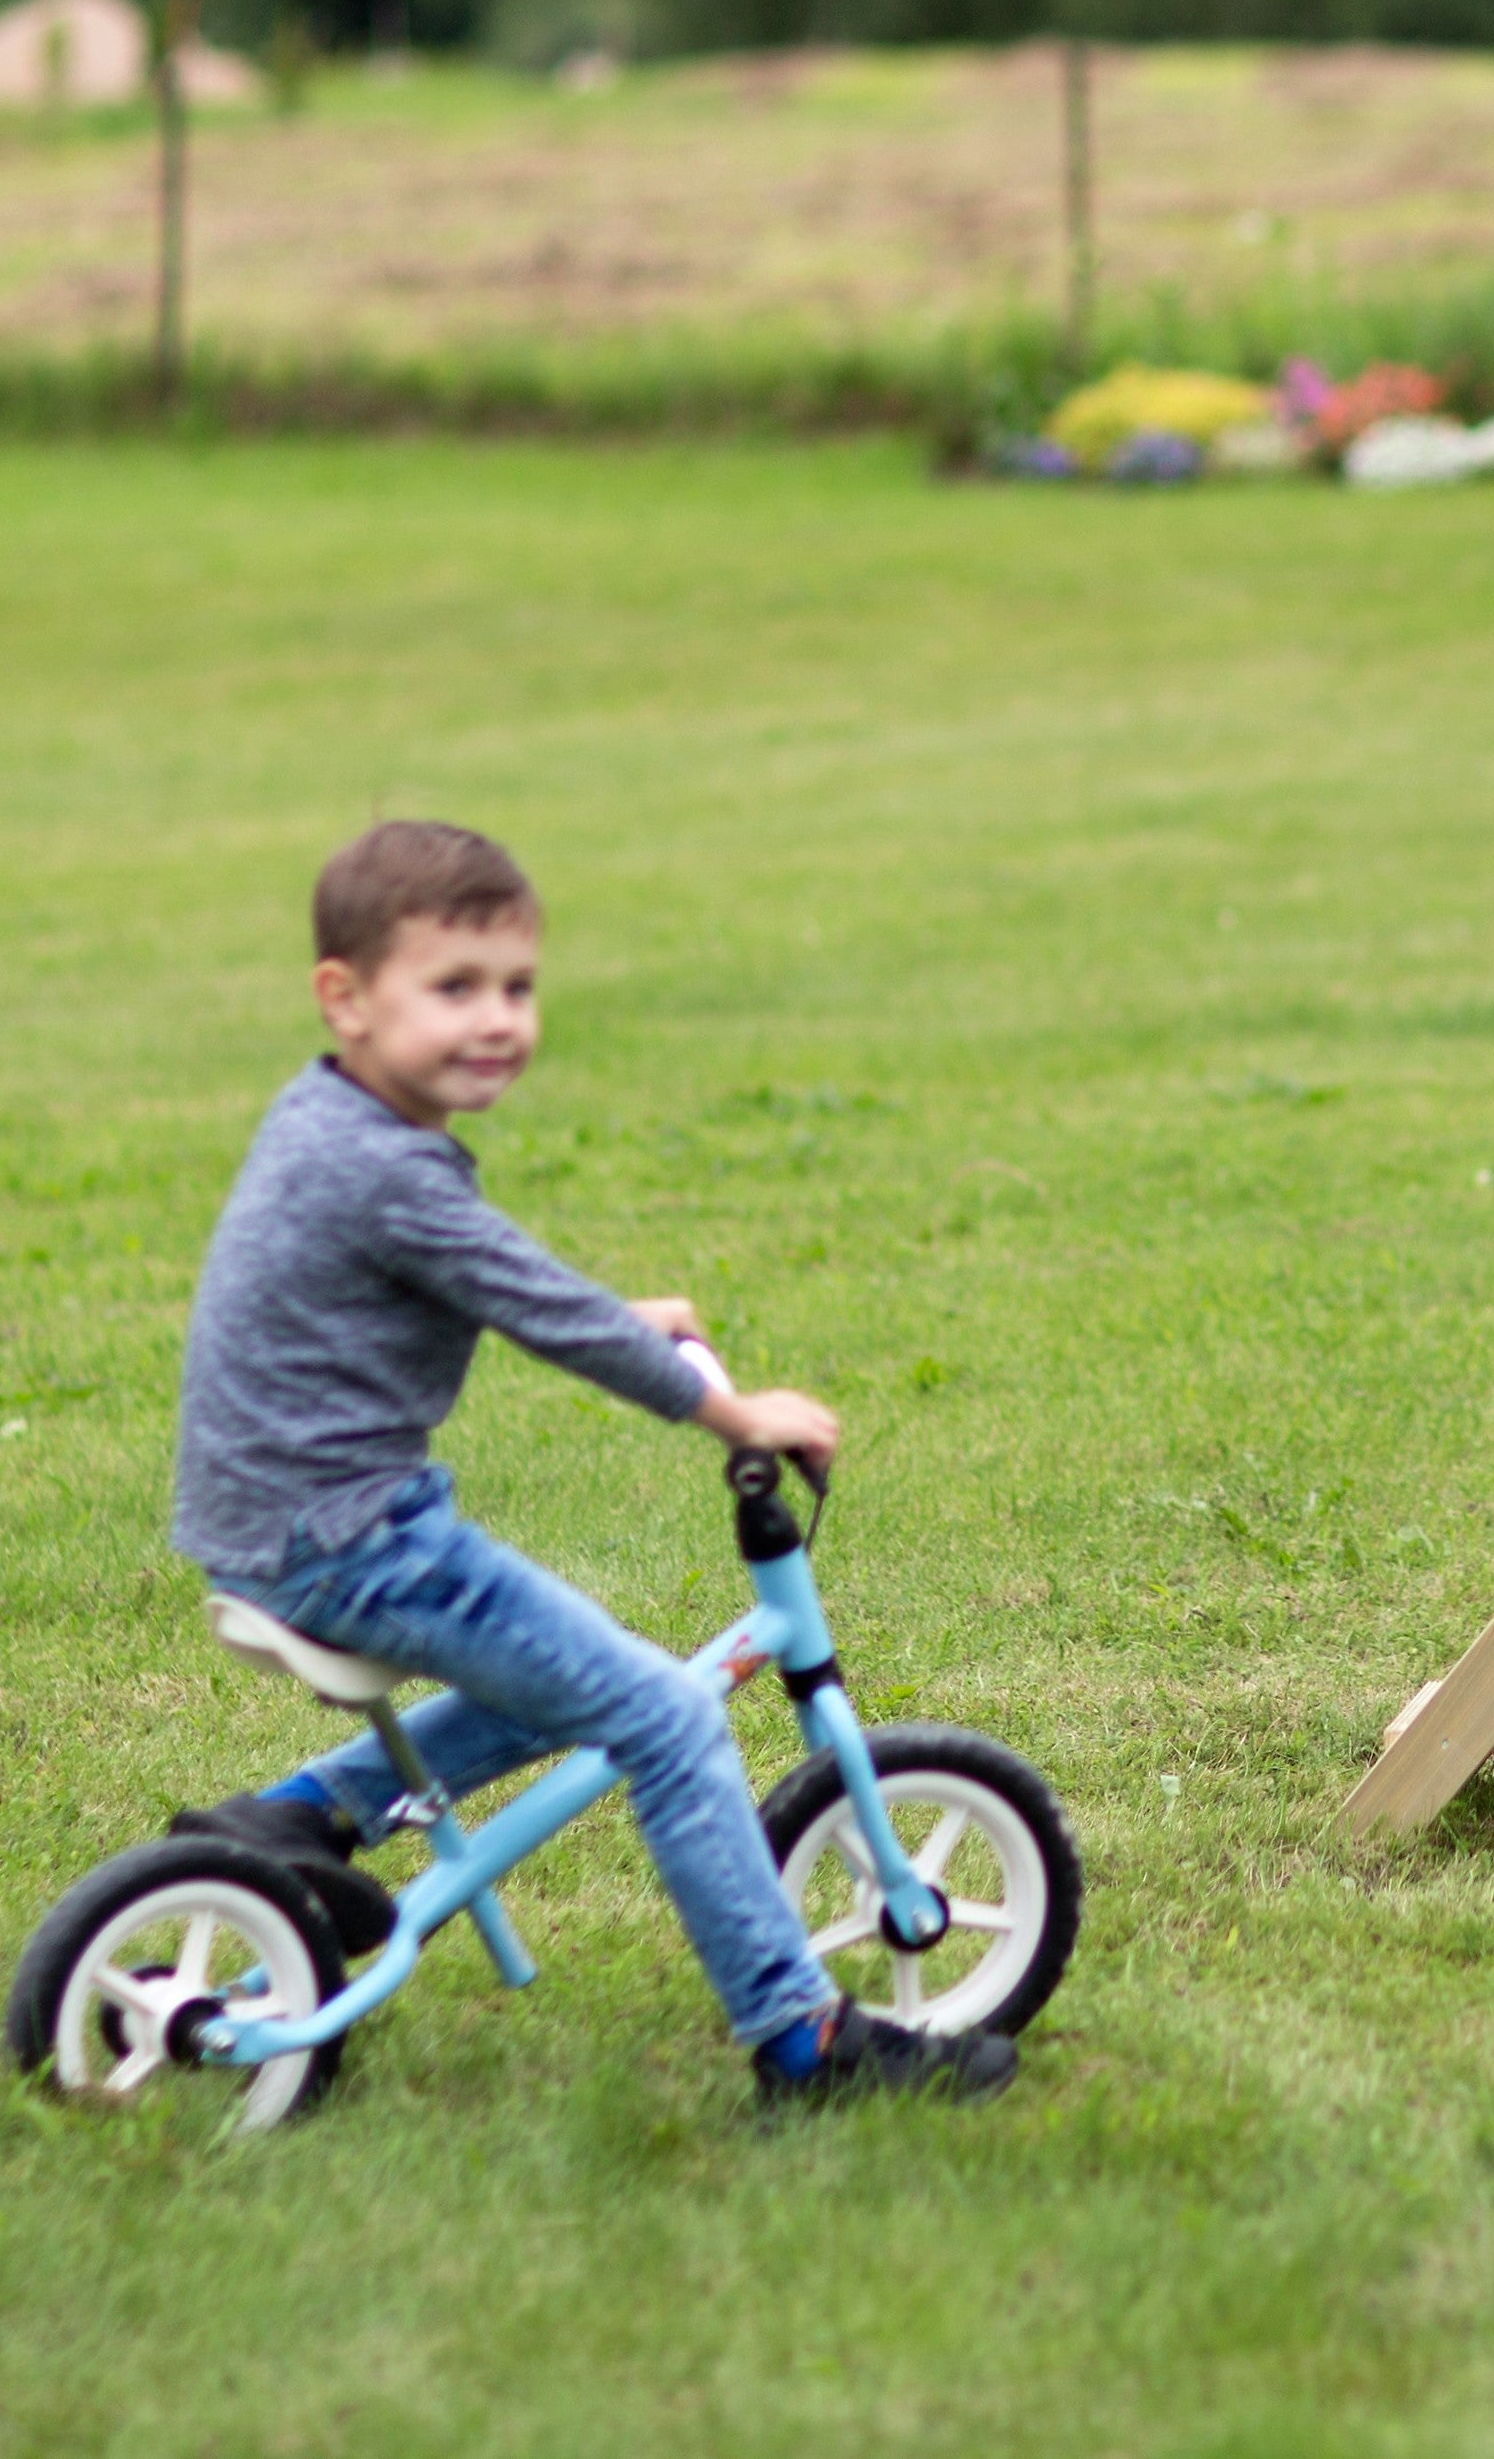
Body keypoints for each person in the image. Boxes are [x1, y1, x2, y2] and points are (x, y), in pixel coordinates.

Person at [163, 818, 1010, 2107]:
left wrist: (620, 1316)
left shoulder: (327, 1116)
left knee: (560, 1678)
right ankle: (804, 2043)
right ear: (345, 996)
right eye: (454, 988)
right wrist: (731, 1414)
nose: (497, 1018)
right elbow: (525, 1304)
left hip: (273, 1518)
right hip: (352, 1536)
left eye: (517, 986)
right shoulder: (389, 1172)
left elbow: (490, 1277)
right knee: (667, 1716)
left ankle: (307, 1816)